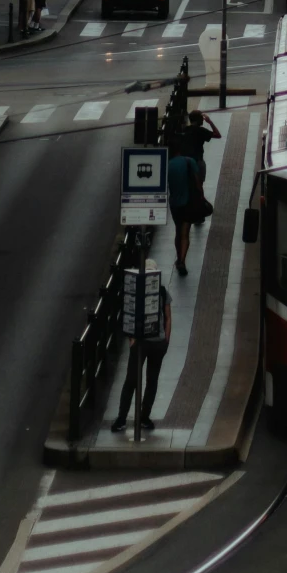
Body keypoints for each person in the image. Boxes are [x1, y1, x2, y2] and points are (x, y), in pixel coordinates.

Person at [112, 275, 172, 431]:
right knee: (140, 380)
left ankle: (126, 418)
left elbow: (167, 316)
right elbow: (168, 316)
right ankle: (137, 417)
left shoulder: (161, 291)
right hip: (146, 342)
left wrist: (166, 340)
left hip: (151, 343)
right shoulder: (156, 291)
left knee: (139, 380)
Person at [168, 145, 202, 275]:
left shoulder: (168, 165)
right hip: (188, 202)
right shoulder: (189, 161)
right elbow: (197, 182)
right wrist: (201, 196)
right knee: (185, 233)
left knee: (178, 231)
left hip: (174, 204)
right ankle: (182, 260)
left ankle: (178, 258)